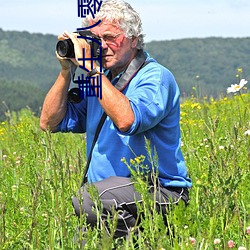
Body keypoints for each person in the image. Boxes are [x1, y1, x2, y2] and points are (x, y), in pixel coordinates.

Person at [40, 0, 192, 243]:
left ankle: (146, 242)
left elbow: (127, 120)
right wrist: (66, 71)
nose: (102, 46)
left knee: (87, 200)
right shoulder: (100, 81)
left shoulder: (154, 77)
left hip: (159, 191)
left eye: (110, 37)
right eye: (94, 38)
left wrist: (92, 71)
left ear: (133, 39)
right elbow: (49, 123)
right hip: (110, 199)